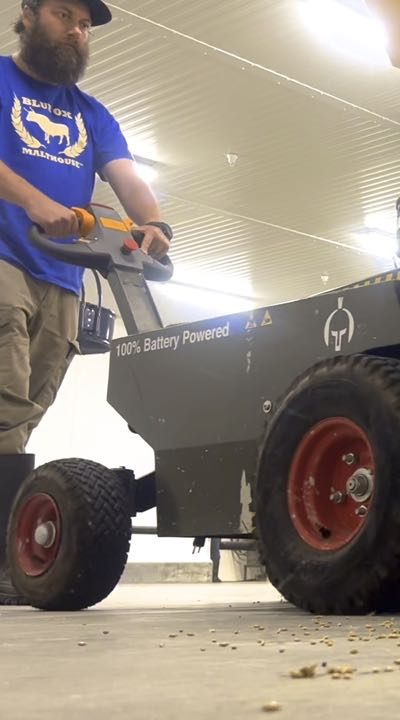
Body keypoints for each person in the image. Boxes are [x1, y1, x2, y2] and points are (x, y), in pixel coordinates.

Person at [0, 0, 171, 604]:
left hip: (67, 277)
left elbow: (125, 177)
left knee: (20, 416)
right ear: (28, 14)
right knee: (4, 402)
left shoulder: (92, 115)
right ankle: (3, 561)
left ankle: (8, 550)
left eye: (84, 24)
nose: (77, 31)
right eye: (65, 15)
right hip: (4, 261)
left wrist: (153, 223)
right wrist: (32, 201)